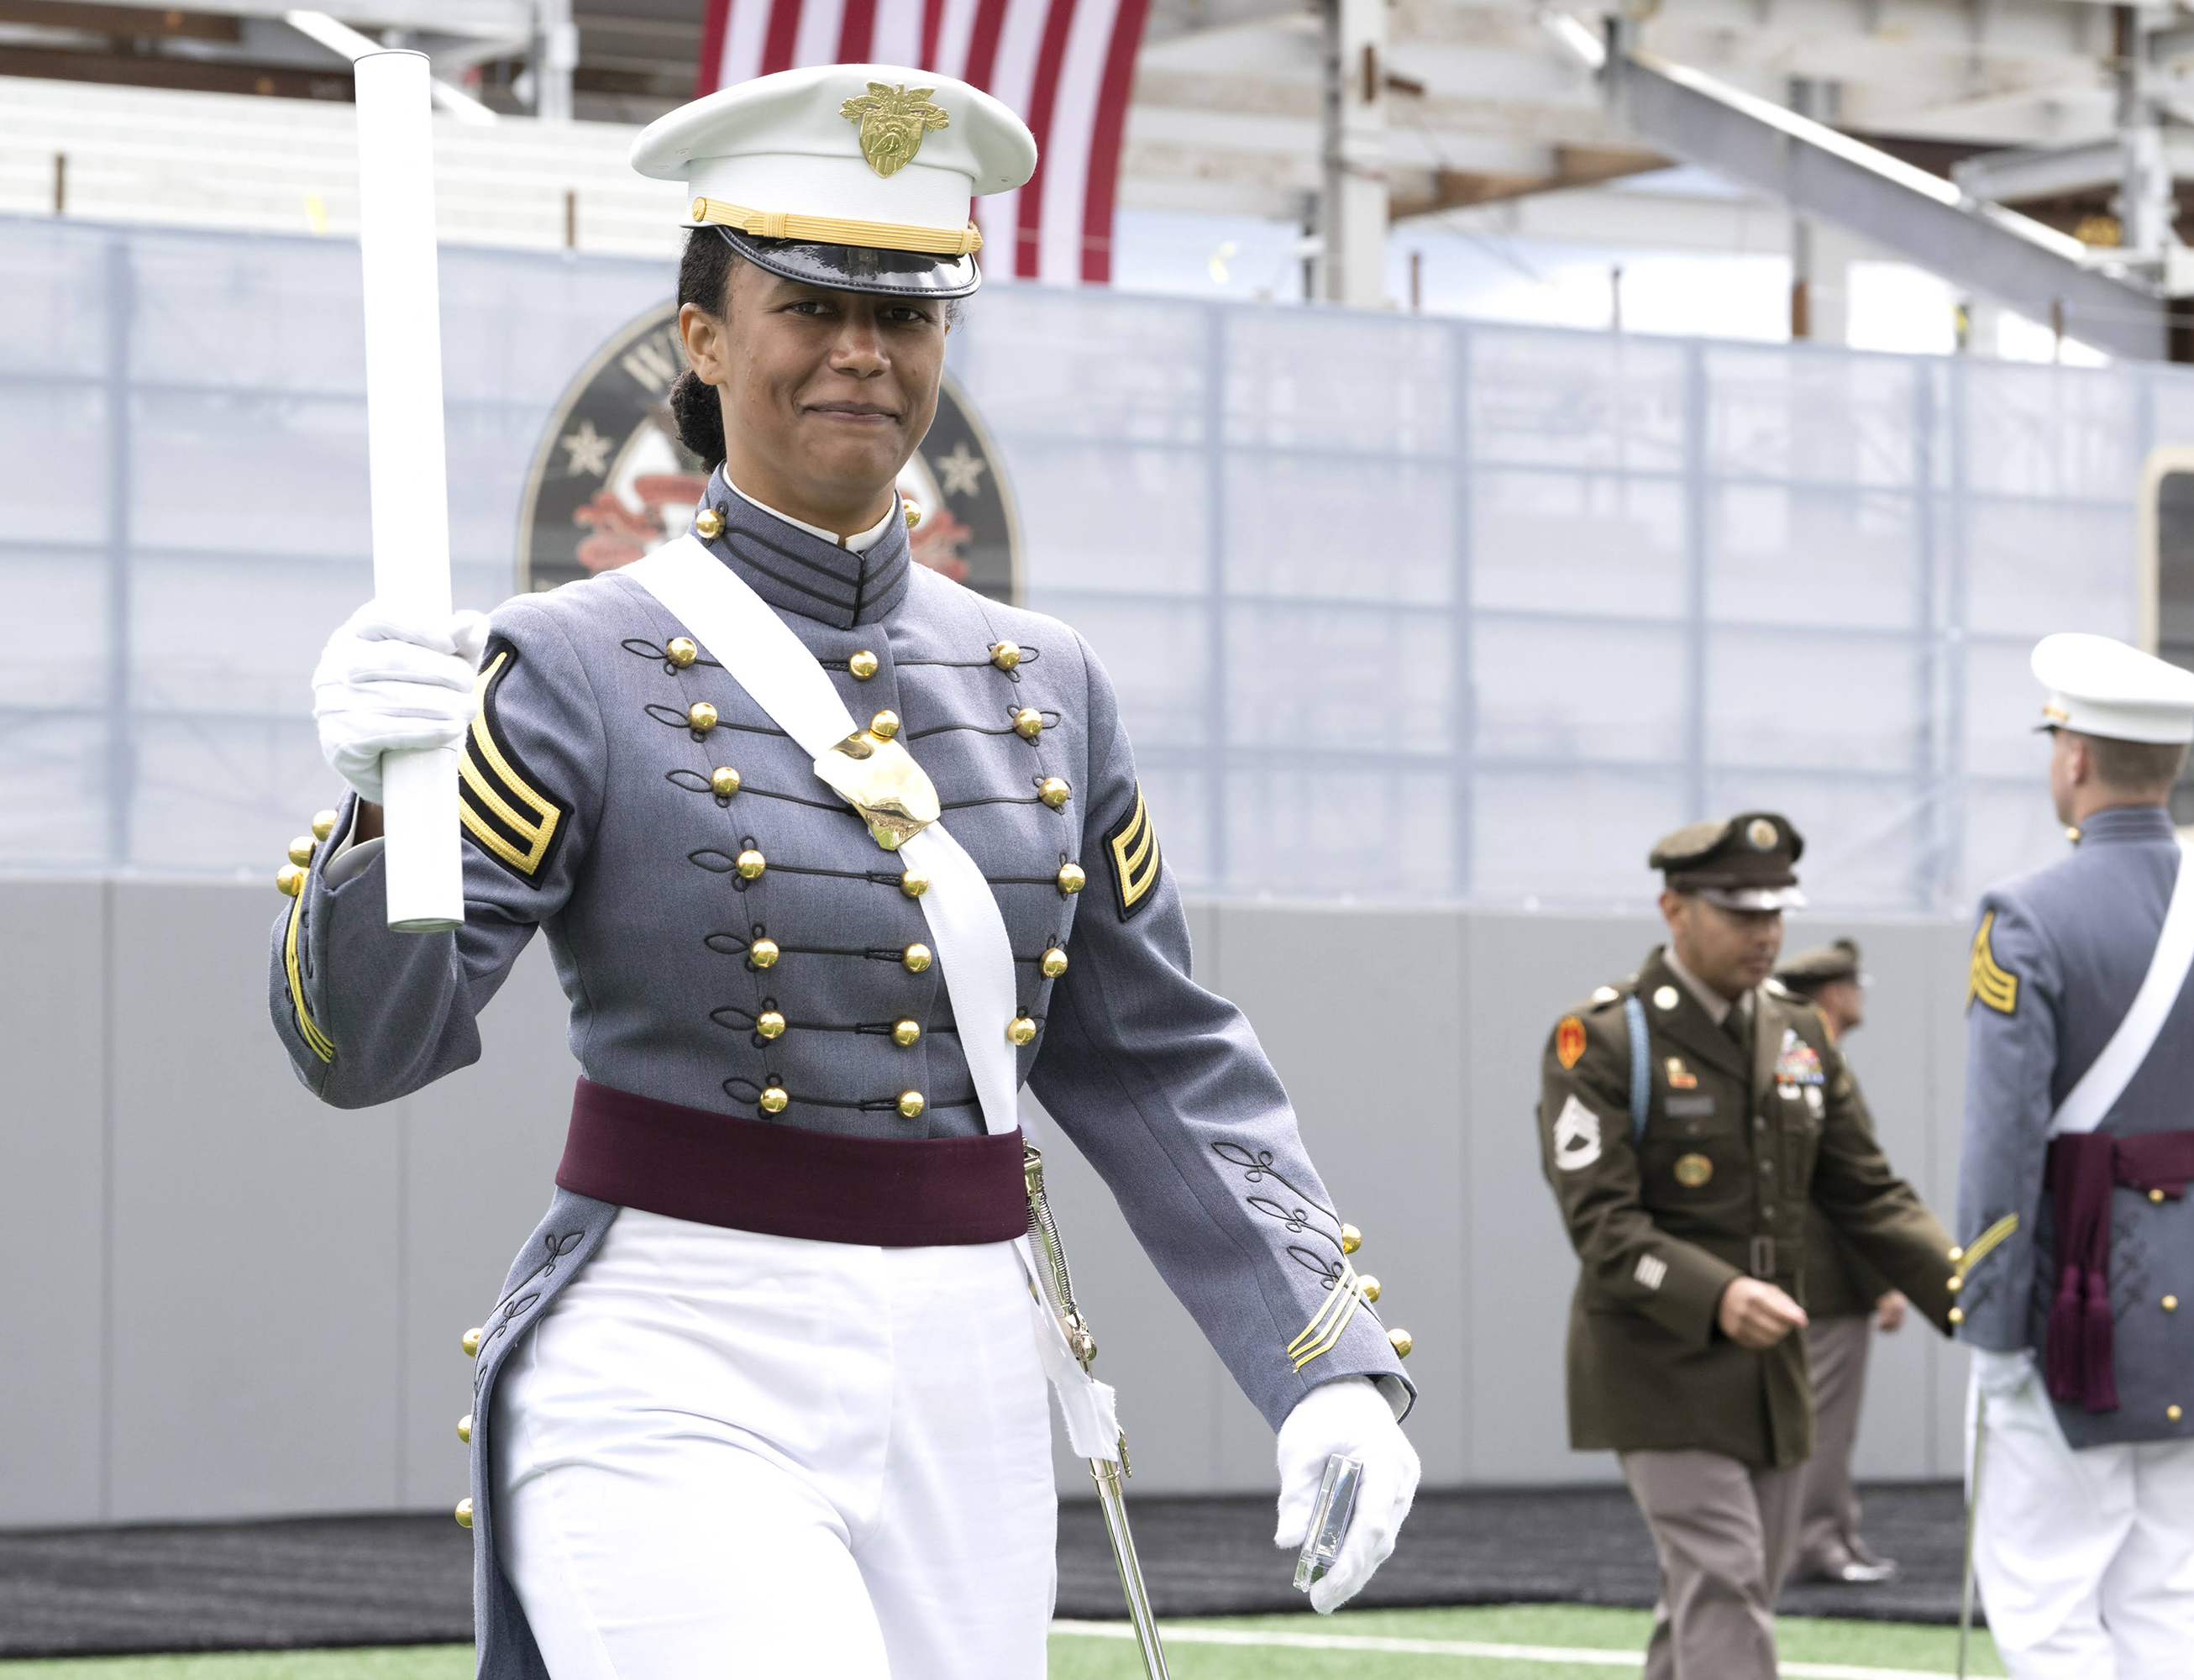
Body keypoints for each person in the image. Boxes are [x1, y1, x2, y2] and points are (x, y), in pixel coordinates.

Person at [266, 64, 1418, 1680]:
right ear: (706, 337)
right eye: (810, 299)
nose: (864, 349)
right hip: (674, 1351)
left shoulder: (1050, 682)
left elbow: (1157, 1062)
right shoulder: (569, 664)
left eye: (911, 310)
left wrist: (1327, 1364)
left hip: (970, 1369)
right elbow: (358, 1052)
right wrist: (385, 811)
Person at [1953, 633, 2194, 1680]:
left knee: (2045, 1594)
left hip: (2076, 1299)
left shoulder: (2024, 915)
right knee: (2173, 1592)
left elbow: (2000, 1137)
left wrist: (1989, 1314)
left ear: (2073, 757)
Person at [1535, 813, 1958, 1680]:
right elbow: (1603, 1225)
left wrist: (1968, 1291)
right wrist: (1720, 1292)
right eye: (1739, 910)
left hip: (1772, 1372)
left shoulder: (1799, 1032)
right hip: (1657, 1363)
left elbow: (1868, 1191)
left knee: (1718, 1594)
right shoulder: (1604, 1038)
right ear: (1674, 908)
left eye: (1776, 910)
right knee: (1725, 1579)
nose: (1766, 931)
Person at [1770, 938, 1904, 1587]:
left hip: (1819, 1278)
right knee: (1824, 1420)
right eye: (1853, 983)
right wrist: (1884, 1278)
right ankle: (1817, 1542)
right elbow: (1844, 1187)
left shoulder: (1797, 1058)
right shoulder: (1807, 1062)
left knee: (1824, 1419)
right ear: (1831, 993)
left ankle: (1833, 1534)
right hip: (1828, 1278)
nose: (1860, 995)